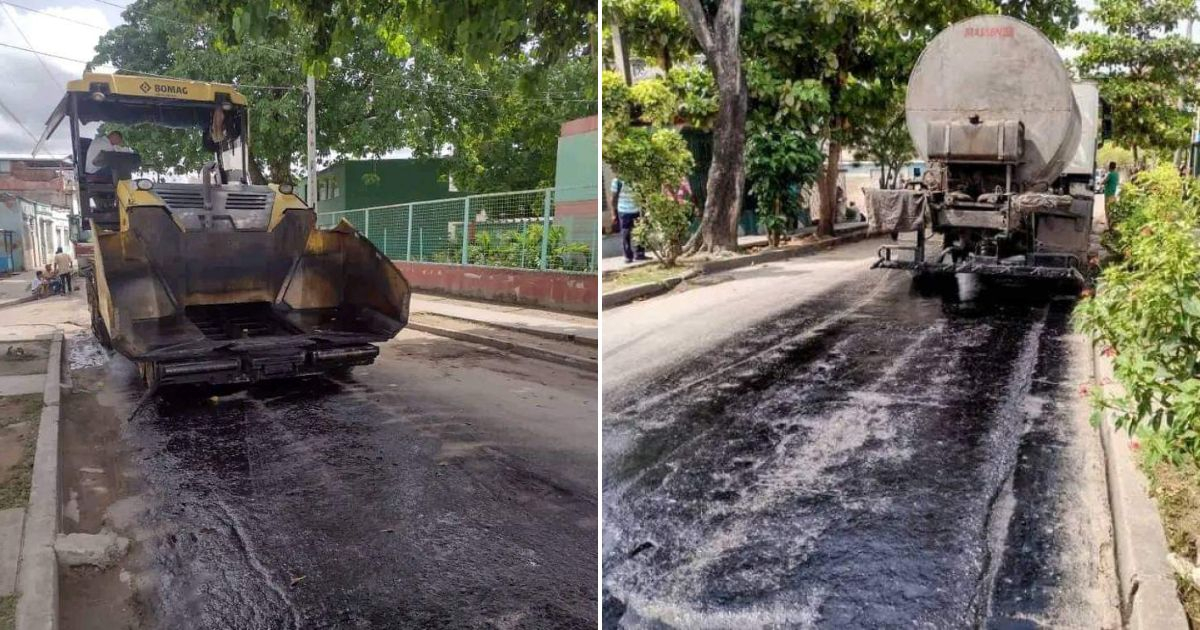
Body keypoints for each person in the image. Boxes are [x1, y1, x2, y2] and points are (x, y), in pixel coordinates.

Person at [611, 177, 646, 264]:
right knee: (626, 233)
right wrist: (613, 213)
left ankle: (640, 254)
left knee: (639, 231)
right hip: (624, 211)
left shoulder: (635, 178)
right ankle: (628, 256)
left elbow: (641, 194)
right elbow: (613, 198)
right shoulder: (617, 181)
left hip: (637, 210)